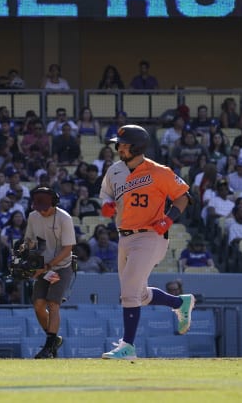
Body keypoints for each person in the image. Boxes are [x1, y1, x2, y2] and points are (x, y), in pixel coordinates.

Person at [99, 124, 195, 360]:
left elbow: (183, 197)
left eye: (123, 144)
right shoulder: (114, 171)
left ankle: (128, 346)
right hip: (125, 236)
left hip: (150, 236)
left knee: (129, 291)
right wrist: (106, 205)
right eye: (118, 144)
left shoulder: (159, 171)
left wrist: (168, 220)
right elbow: (105, 195)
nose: (119, 147)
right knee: (139, 294)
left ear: (137, 146)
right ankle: (179, 303)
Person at [22, 186, 75, 359]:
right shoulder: (33, 217)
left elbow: (68, 248)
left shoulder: (64, 218)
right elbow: (29, 241)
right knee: (38, 304)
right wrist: (24, 253)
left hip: (62, 266)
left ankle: (48, 346)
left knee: (53, 303)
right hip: (42, 266)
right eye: (39, 208)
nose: (42, 212)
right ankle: (53, 339)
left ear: (54, 203)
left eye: (45, 208)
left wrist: (49, 265)